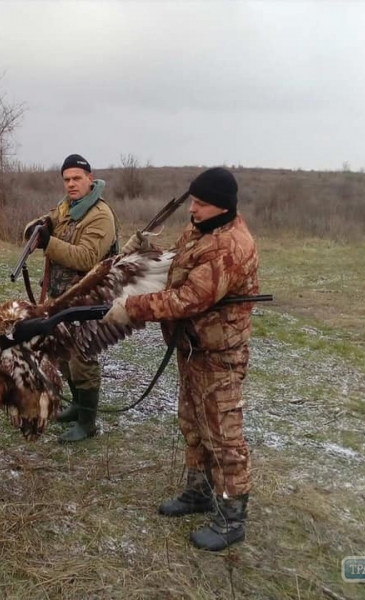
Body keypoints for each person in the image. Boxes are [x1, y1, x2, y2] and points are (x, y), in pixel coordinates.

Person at [103, 167, 258, 551]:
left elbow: (187, 298)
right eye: (193, 200)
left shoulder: (230, 247)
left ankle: (231, 517)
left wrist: (132, 308)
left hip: (218, 355)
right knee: (192, 423)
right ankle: (199, 493)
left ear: (221, 206)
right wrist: (140, 253)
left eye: (201, 203)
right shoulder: (200, 231)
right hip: (193, 348)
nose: (193, 208)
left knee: (223, 434)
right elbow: (176, 268)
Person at [22, 153, 118, 443]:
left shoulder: (100, 214)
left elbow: (87, 257)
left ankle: (88, 422)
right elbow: (47, 221)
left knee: (82, 359)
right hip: (61, 297)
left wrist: (48, 243)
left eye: (77, 178)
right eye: (66, 179)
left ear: (90, 179)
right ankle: (77, 406)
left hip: (88, 298)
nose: (71, 184)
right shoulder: (68, 207)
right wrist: (36, 229)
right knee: (63, 355)